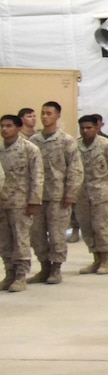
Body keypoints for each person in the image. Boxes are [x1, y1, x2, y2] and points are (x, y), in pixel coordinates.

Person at [28, 102, 81, 283]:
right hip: (37, 196)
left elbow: (75, 169)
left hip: (58, 196)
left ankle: (56, 268)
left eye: (49, 113)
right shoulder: (34, 141)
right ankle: (44, 267)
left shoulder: (66, 141)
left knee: (57, 234)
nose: (44, 117)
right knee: (37, 234)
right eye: (42, 113)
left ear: (57, 115)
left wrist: (70, 193)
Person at [72, 114, 108, 276]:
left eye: (89, 128)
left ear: (97, 128)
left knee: (101, 227)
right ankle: (96, 259)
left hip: (102, 194)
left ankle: (105, 260)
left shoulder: (106, 145)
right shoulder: (75, 146)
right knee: (87, 228)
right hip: (82, 195)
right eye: (82, 128)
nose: (85, 131)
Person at [0, 115, 41, 291]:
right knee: (4, 241)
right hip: (2, 202)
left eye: (9, 126)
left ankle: (21, 275)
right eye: (2, 126)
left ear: (18, 128)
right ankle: (9, 273)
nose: (4, 129)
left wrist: (33, 200)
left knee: (21, 239)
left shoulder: (29, 149)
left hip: (21, 202)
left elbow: (37, 176)